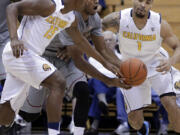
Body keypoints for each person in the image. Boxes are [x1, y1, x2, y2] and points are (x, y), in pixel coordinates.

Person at [0, 0, 128, 135]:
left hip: (30, 58)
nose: (93, 2)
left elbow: (81, 42)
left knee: (7, 114)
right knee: (58, 82)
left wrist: (105, 63)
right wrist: (14, 38)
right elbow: (12, 7)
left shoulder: (70, 17)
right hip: (20, 53)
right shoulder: (50, 5)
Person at [102, 0, 180, 134]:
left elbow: (177, 47)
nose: (143, 5)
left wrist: (171, 61)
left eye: (147, 2)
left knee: (171, 104)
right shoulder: (118, 19)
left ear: (151, 5)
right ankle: (143, 127)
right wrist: (112, 59)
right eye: (140, 0)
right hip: (131, 69)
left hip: (157, 66)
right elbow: (95, 30)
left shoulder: (159, 23)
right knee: (135, 121)